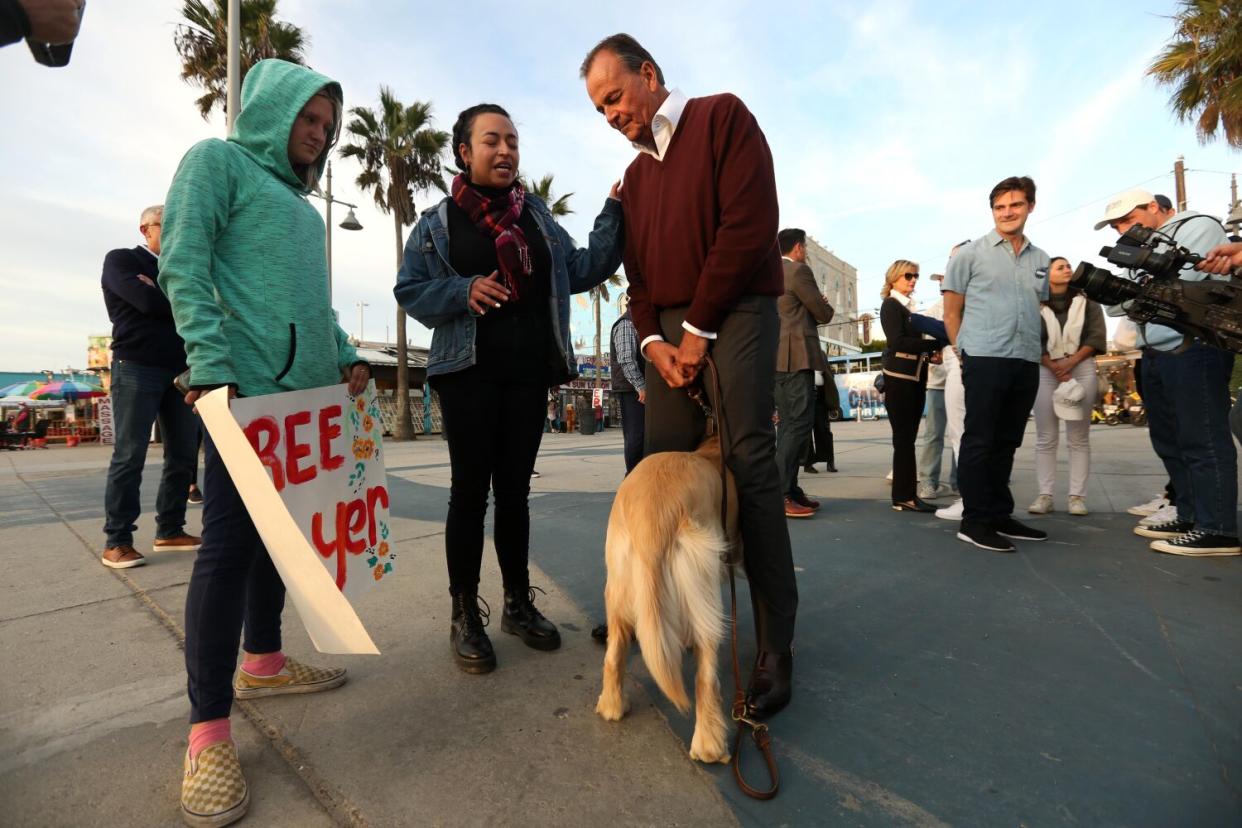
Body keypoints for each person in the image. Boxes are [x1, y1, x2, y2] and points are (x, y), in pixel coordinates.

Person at [159, 59, 370, 826]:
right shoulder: (216, 163)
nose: (315, 137)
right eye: (305, 120)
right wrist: (211, 368)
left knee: (280, 544)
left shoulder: (304, 210)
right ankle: (208, 731)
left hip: (306, 402)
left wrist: (346, 349)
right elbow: (181, 260)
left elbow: (310, 304)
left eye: (325, 126)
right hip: (244, 396)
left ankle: (266, 661)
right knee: (226, 547)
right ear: (272, 110)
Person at [581, 33, 798, 719]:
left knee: (747, 461)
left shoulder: (722, 117)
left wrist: (697, 333)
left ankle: (774, 645)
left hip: (734, 309)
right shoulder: (637, 180)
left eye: (614, 97)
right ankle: (655, 606)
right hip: (669, 332)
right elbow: (636, 277)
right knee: (660, 464)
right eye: (600, 109)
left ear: (649, 75)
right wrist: (652, 341)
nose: (612, 114)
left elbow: (750, 224)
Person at [395, 103, 623, 675]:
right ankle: (465, 613)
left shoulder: (536, 217)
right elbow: (409, 290)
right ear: (464, 153)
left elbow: (583, 265)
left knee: (516, 493)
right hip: (467, 373)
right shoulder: (437, 224)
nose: (505, 151)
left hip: (527, 373)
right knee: (469, 494)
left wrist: (615, 209)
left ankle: (518, 605)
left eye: (513, 142)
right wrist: (461, 289)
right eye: (492, 141)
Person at [1094, 189, 1239, 556]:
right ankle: (1190, 514)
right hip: (1156, 351)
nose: (1121, 229)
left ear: (1155, 208)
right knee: (1170, 440)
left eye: (1128, 219)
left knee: (1202, 437)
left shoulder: (1196, 226)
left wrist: (1145, 286)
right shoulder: (1137, 250)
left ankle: (1217, 527)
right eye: (1115, 225)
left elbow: (1187, 283)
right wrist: (1144, 287)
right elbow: (1119, 305)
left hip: (1195, 345)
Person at [943, 177, 1050, 552]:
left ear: (1030, 207)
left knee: (1007, 441)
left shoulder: (1042, 259)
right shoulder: (969, 254)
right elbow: (952, 311)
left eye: (1015, 205)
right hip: (985, 357)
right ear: (992, 211)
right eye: (1000, 207)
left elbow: (1038, 306)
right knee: (980, 440)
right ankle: (974, 521)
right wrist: (963, 351)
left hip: (1025, 358)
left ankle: (999, 513)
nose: (1007, 212)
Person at [99, 205, 202, 570]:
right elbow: (146, 302)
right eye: (165, 225)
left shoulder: (182, 268)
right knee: (130, 454)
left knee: (184, 453)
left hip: (181, 371)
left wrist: (164, 295)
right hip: (136, 366)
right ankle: (117, 540)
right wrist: (176, 301)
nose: (175, 231)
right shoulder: (121, 260)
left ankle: (170, 528)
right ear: (146, 229)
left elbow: (202, 309)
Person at [1027, 256, 1105, 517]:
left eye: (1069, 266)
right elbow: (1030, 338)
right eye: (1061, 267)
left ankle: (1076, 497)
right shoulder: (1033, 304)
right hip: (1046, 368)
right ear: (1046, 274)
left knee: (1078, 437)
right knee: (1046, 437)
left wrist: (1070, 363)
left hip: (1080, 366)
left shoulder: (1089, 300)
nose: (1068, 270)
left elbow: (1095, 336)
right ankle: (1045, 495)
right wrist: (1054, 366)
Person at [773, 227, 834, 518]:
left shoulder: (768, 273)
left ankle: (790, 489)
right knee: (799, 423)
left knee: (788, 425)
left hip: (775, 360)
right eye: (805, 247)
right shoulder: (799, 272)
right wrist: (822, 302)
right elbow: (823, 314)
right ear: (798, 247)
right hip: (797, 358)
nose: (806, 252)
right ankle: (781, 492)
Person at [879, 260, 942, 513]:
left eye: (916, 275)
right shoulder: (891, 305)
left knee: (907, 439)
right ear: (894, 277)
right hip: (900, 380)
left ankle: (905, 495)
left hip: (914, 379)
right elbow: (897, 342)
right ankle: (904, 496)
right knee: (904, 440)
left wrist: (928, 354)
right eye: (908, 275)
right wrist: (934, 345)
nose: (913, 279)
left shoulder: (908, 306)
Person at [917, 272, 954, 500]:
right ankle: (929, 482)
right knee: (934, 434)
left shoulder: (971, 305)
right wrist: (934, 353)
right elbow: (922, 340)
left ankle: (960, 483)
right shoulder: (933, 311)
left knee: (965, 435)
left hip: (964, 380)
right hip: (938, 383)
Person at [611, 301, 647, 474]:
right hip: (631, 389)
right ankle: (632, 477)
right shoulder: (627, 323)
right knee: (636, 437)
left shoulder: (638, 322)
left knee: (642, 436)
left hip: (638, 387)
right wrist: (641, 386)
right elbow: (626, 359)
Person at [802, 370, 838, 474]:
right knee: (806, 433)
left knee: (824, 431)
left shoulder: (821, 357)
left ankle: (830, 461)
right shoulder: (801, 356)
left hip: (820, 398)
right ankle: (808, 463)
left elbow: (830, 377)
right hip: (804, 398)